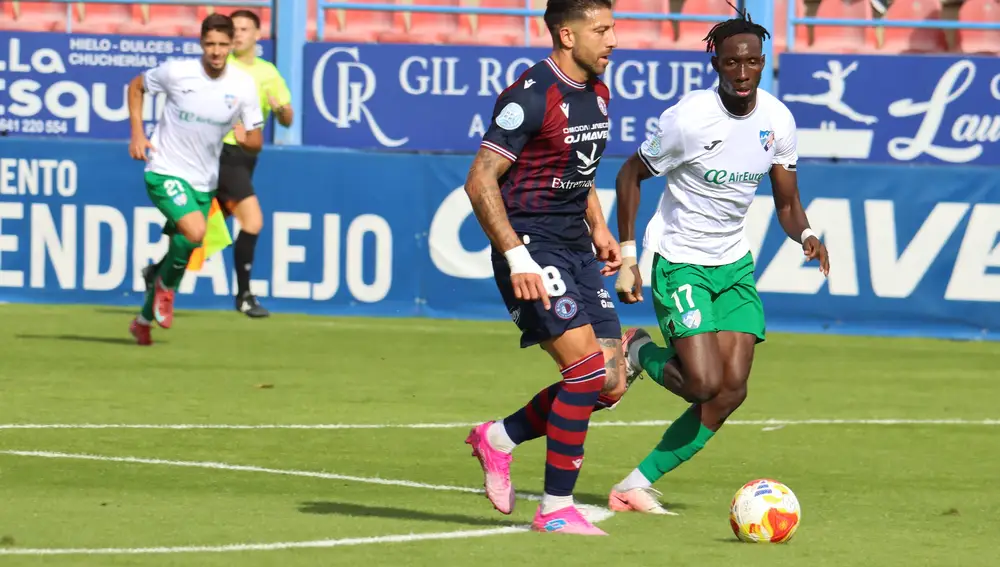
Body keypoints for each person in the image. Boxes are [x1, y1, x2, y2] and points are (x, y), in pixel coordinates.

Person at [607, 6, 830, 515]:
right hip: (680, 260)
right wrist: (628, 257)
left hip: (732, 265)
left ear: (763, 61)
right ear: (716, 64)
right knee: (703, 384)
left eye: (752, 61)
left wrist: (807, 234)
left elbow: (788, 203)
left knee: (731, 392)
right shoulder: (688, 119)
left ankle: (634, 485)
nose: (744, 72)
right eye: (732, 62)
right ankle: (638, 350)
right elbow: (628, 175)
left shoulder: (778, 119)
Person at [461, 0, 624, 536]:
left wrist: (599, 226)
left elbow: (581, 171)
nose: (612, 40)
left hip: (576, 243)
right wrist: (516, 257)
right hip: (532, 245)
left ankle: (499, 438)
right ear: (566, 35)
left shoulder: (598, 93)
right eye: (601, 30)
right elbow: (480, 180)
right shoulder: (530, 97)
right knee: (585, 371)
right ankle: (555, 509)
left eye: (613, 28)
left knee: (609, 383)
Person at [143, 9, 293, 318]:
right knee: (252, 221)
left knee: (202, 232)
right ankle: (244, 295)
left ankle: (157, 272)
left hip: (246, 157)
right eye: (233, 30)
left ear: (257, 35)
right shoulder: (220, 66)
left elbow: (287, 118)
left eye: (244, 29)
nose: (236, 36)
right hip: (222, 155)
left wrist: (280, 110)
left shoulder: (266, 73)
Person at [128, 13, 264, 345]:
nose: (216, 51)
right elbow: (136, 86)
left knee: (185, 245)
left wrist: (245, 139)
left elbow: (256, 140)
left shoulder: (243, 85)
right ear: (201, 43)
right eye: (210, 44)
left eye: (222, 44)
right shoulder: (177, 72)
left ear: (231, 45)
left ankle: (143, 320)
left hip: (204, 180)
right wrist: (137, 134)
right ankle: (165, 287)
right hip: (164, 169)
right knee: (195, 231)